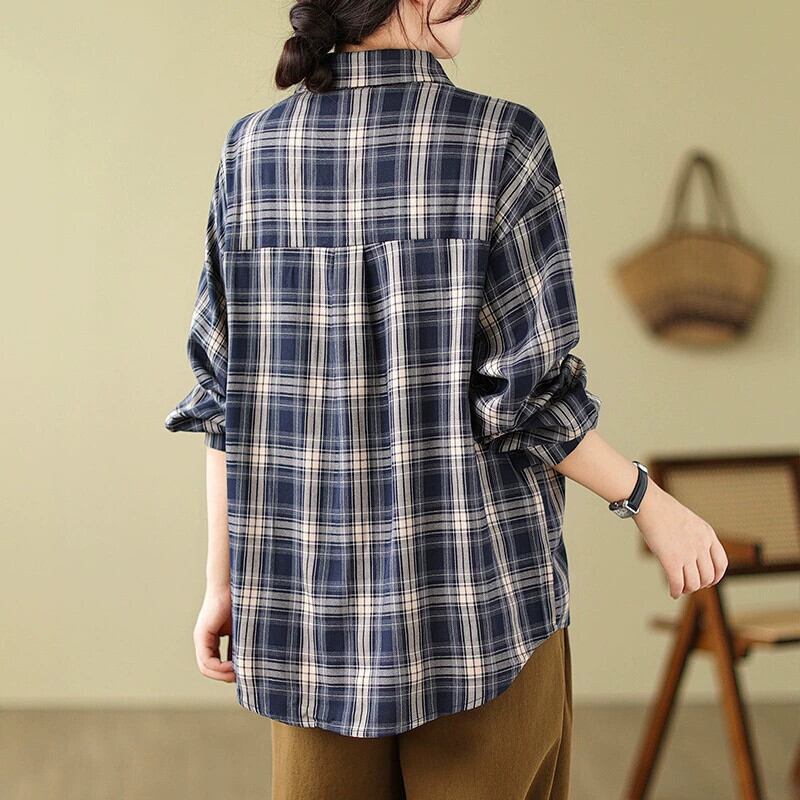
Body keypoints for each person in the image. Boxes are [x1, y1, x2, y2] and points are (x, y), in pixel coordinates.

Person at [164, 1, 729, 797]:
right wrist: (647, 500)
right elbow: (529, 398)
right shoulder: (502, 142)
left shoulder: (250, 151)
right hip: (484, 614)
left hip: (305, 621)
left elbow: (227, 402)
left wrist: (223, 585)